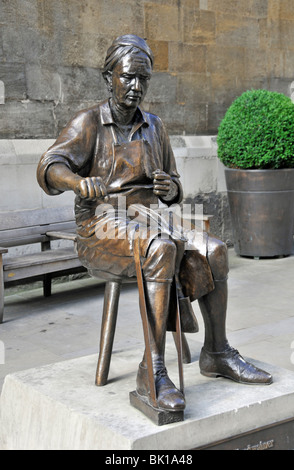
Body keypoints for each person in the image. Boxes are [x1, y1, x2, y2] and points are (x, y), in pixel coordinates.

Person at [37, 35, 272, 414]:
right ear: (108, 77)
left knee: (214, 249)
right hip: (101, 227)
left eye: (143, 80)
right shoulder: (88, 123)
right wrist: (78, 182)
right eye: (128, 78)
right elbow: (49, 166)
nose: (136, 87)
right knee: (160, 247)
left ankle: (217, 351)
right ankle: (154, 371)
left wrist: (171, 187)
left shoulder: (155, 126)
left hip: (151, 219)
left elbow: (174, 188)